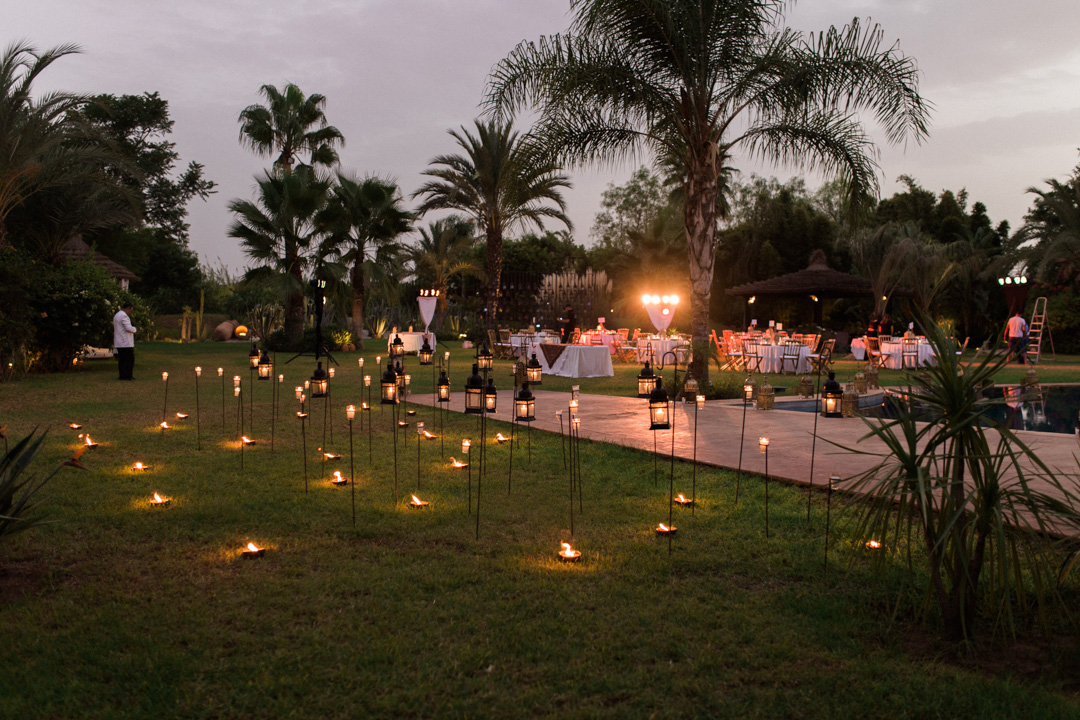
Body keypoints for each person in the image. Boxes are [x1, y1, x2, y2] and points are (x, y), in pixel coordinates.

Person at [113, 301, 137, 380]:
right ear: (127, 308)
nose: (130, 312)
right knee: (129, 359)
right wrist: (134, 329)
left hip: (119, 342)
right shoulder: (124, 316)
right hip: (125, 342)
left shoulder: (117, 315)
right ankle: (128, 375)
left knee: (122, 360)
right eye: (130, 310)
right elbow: (128, 328)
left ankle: (122, 375)